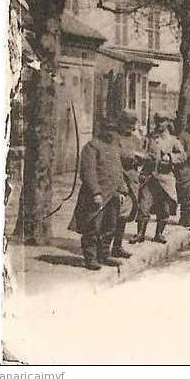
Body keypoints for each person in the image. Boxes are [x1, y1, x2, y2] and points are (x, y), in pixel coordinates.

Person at [68, 115, 131, 270]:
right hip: (96, 196)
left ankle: (104, 254)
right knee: (93, 226)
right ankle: (90, 258)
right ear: (101, 129)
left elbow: (119, 171)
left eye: (114, 129)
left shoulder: (115, 146)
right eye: (107, 129)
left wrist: (122, 189)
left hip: (113, 195)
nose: (111, 133)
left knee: (111, 226)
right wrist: (96, 192)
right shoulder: (92, 146)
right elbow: (88, 172)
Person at [132, 117, 182, 244]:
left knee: (164, 208)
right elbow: (140, 151)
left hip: (165, 179)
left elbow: (183, 155)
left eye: (162, 121)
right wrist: (140, 157)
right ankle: (140, 234)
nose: (159, 124)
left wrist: (170, 157)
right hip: (148, 177)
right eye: (157, 121)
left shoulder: (173, 140)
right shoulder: (149, 139)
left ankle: (158, 234)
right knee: (144, 206)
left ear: (168, 123)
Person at [111, 110, 148, 259]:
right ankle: (103, 246)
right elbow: (114, 154)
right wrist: (132, 155)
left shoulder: (134, 139)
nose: (130, 128)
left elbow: (142, 155)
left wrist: (140, 158)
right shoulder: (113, 137)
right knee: (111, 214)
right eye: (127, 124)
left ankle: (117, 246)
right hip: (116, 178)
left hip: (130, 179)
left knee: (124, 214)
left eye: (132, 125)